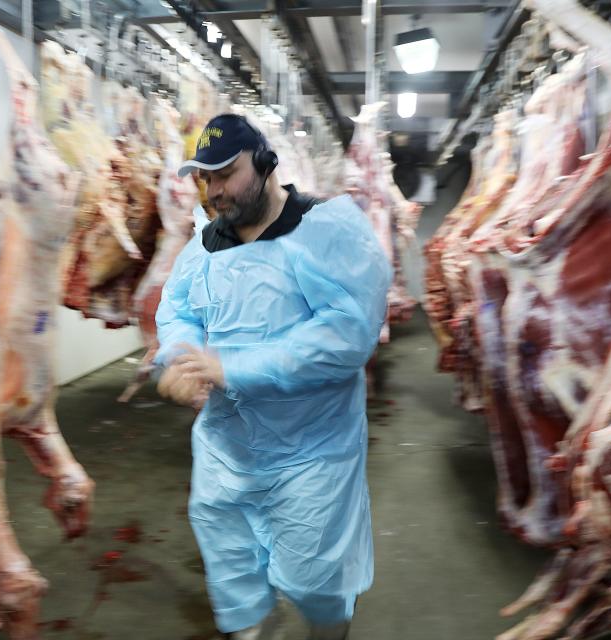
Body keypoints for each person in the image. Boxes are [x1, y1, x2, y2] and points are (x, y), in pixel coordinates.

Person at [155, 113, 392, 640]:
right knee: (236, 588)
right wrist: (178, 355)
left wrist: (231, 367)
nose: (214, 191)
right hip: (223, 453)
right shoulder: (204, 245)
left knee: (320, 588)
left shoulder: (326, 229)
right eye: (205, 178)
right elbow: (178, 311)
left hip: (312, 459)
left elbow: (347, 334)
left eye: (226, 173)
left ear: (265, 164)